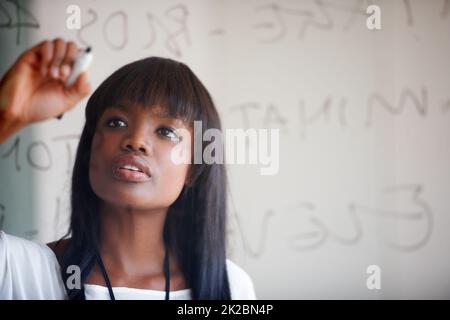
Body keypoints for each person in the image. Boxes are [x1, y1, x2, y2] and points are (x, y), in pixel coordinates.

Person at [0, 38, 257, 300]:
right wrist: (6, 115)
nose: (136, 140)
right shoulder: (17, 270)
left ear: (193, 168)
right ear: (90, 150)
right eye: (116, 122)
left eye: (166, 131)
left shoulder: (231, 287)